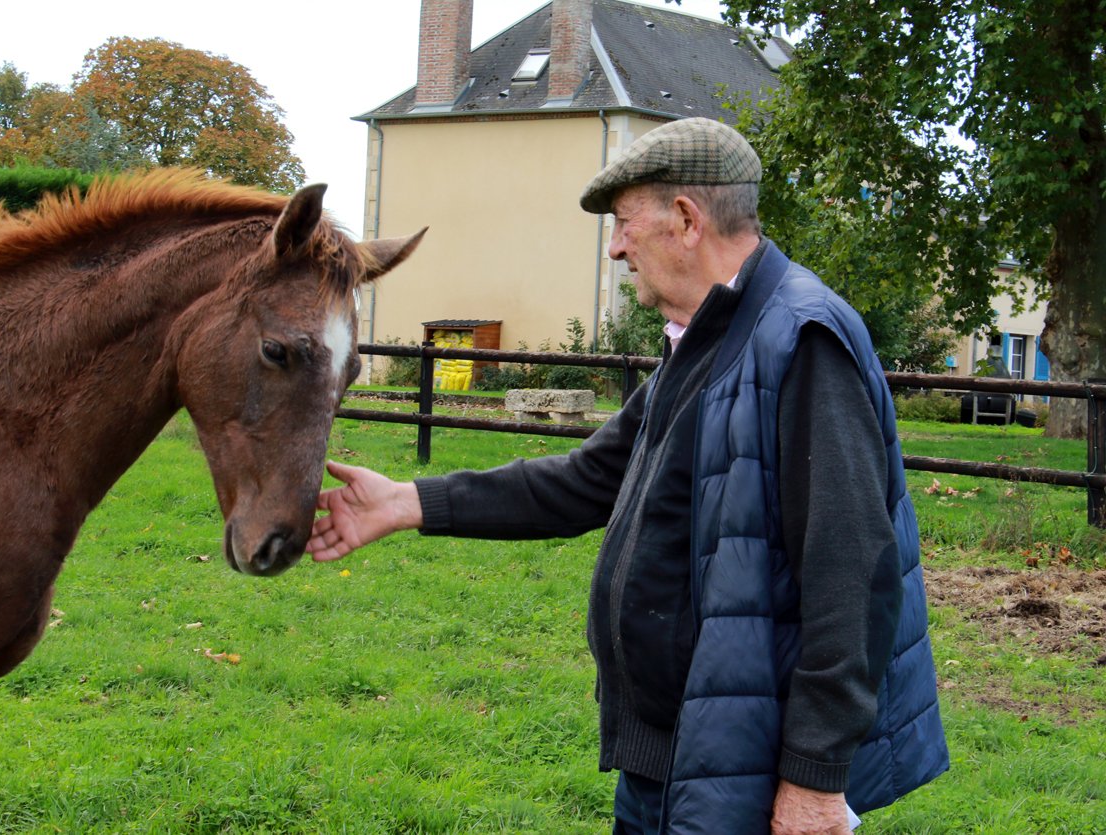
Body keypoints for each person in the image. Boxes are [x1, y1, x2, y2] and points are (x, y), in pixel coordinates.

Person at [306, 118, 949, 835]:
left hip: (750, 766)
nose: (614, 247)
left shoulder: (801, 338)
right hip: (676, 754)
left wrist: (815, 777)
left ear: (685, 219)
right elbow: (586, 480)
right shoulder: (707, 339)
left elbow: (852, 571)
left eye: (622, 223)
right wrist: (406, 501)